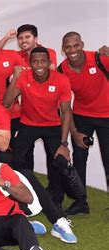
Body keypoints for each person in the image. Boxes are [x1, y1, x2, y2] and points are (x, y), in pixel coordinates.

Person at [4, 47, 72, 210]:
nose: (39, 65)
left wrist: (64, 144)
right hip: (28, 124)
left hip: (52, 125)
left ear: (49, 62)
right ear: (30, 63)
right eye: (35, 61)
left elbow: (66, 112)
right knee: (17, 159)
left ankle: (56, 200)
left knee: (58, 161)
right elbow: (7, 102)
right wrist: (15, 79)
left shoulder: (61, 80)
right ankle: (23, 195)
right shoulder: (24, 77)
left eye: (43, 61)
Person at [58, 31, 108, 215]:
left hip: (106, 116)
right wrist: (74, 132)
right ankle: (81, 202)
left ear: (82, 44)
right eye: (68, 47)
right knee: (79, 159)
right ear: (63, 50)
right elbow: (65, 106)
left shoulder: (99, 59)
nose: (72, 50)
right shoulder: (62, 70)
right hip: (81, 116)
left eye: (76, 45)